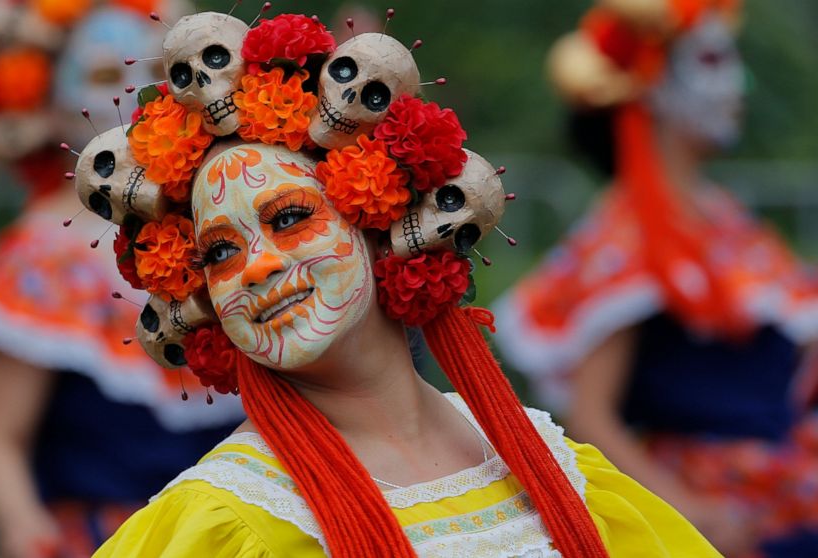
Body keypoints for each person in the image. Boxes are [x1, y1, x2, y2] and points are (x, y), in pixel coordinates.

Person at [63, 8, 720, 556]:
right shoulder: (223, 526)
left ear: (380, 223)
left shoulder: (558, 469)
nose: (257, 267)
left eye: (290, 218)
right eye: (220, 252)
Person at [0, 1, 242, 556]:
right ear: (50, 96)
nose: (133, 91)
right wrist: (25, 529)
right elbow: (0, 440)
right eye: (105, 75)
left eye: (154, 72)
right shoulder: (35, 261)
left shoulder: (222, 215)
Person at [492, 1, 818, 556]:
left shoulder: (721, 217)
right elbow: (591, 415)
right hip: (722, 518)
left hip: (788, 497)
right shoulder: (628, 238)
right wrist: (693, 515)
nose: (741, 81)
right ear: (650, 87)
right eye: (713, 59)